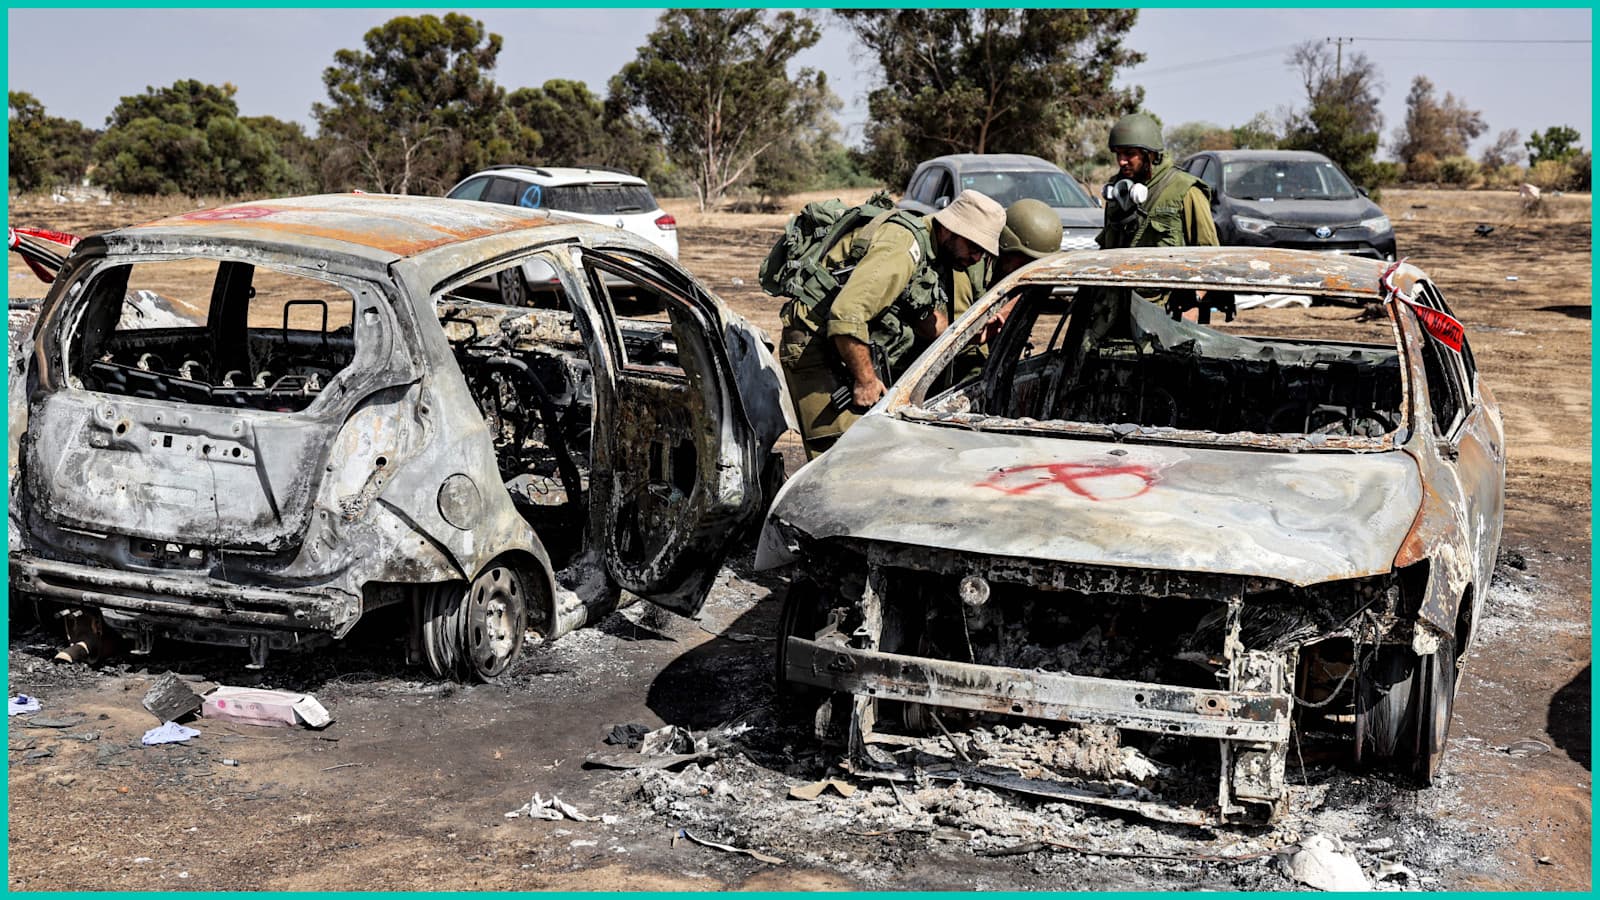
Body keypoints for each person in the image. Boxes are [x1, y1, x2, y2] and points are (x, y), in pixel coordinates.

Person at [778, 189, 1005, 457]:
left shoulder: (931, 252)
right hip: (815, 347)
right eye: (974, 247)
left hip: (842, 343)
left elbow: (926, 321)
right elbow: (848, 313)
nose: (976, 259)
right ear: (951, 230)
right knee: (844, 460)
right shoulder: (904, 245)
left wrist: (975, 334)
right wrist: (866, 380)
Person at [1097, 113, 1218, 250]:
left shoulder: (1187, 190)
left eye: (1130, 153)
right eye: (1118, 153)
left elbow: (1208, 252)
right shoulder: (1116, 190)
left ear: (1150, 154)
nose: (1122, 161)